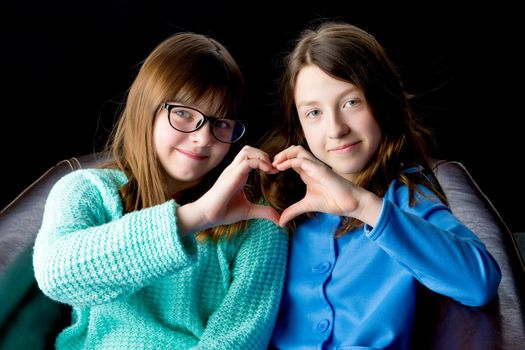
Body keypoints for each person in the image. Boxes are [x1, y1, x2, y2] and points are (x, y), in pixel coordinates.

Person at [32, 32, 288, 349]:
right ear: (147, 109)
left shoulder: (257, 217)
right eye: (183, 113)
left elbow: (238, 340)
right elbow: (57, 276)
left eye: (221, 122)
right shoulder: (87, 190)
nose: (203, 138)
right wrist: (198, 216)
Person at [258, 21, 502, 349]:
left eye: (351, 103)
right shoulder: (279, 198)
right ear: (299, 126)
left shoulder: (408, 199)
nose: (336, 129)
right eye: (314, 112)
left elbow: (479, 283)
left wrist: (362, 205)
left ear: (382, 103)